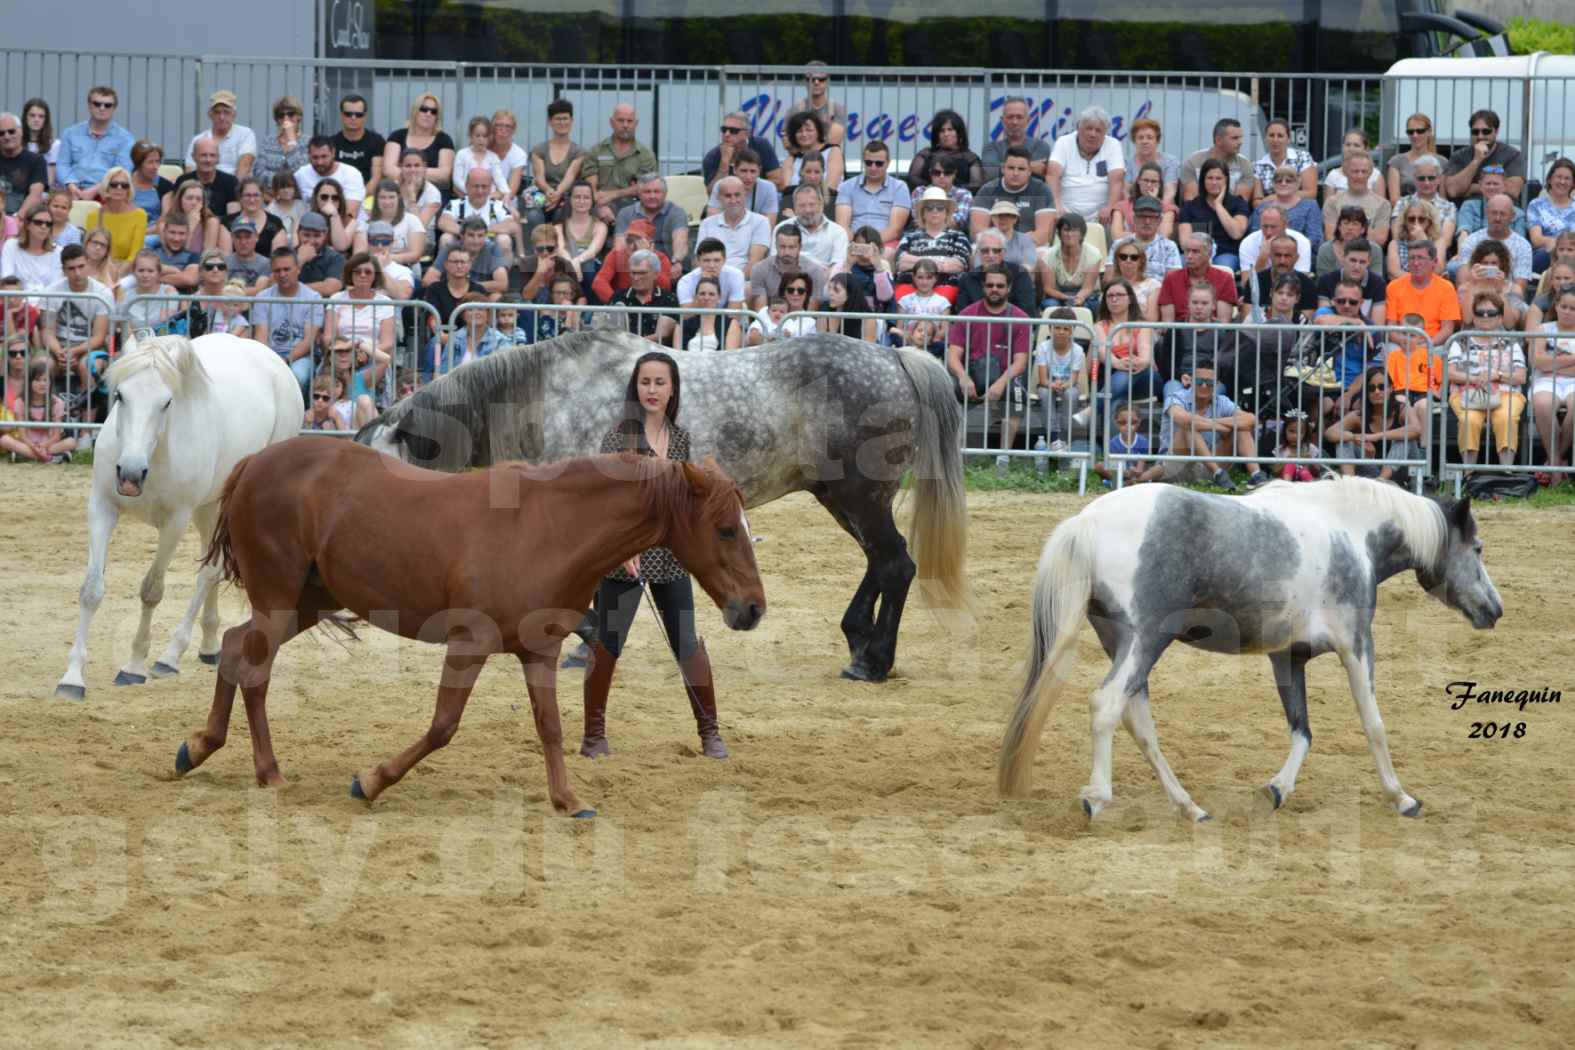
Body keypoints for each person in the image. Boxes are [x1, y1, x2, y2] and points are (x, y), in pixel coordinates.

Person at [582, 351, 731, 760]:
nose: (652, 390)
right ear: (636, 387)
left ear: (672, 389)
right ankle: (594, 735)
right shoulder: (617, 439)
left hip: (670, 558)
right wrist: (623, 548)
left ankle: (710, 732)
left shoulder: (681, 440)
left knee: (687, 642)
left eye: (659, 383)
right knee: (608, 644)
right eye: (645, 382)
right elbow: (604, 505)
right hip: (623, 557)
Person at [947, 263, 1031, 468]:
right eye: (990, 285)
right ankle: (958, 458)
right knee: (947, 391)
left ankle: (1003, 456)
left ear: (1008, 288)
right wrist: (962, 377)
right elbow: (952, 355)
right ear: (983, 287)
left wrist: (1001, 383)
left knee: (1016, 395)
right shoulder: (967, 314)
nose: (995, 289)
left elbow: (1020, 361)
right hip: (973, 374)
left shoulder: (1020, 318)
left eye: (1000, 286)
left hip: (1006, 376)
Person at [1141, 355, 1267, 490]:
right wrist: (1221, 426)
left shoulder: (1222, 401)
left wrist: (1211, 422)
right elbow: (1185, 419)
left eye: (1209, 382)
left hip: (1207, 466)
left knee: (1242, 426)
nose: (1204, 386)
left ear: (1217, 384)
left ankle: (1256, 474)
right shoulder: (1176, 398)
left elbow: (1250, 420)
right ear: (1190, 381)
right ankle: (1217, 473)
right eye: (1199, 381)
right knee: (1188, 426)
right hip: (1176, 465)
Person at [1447, 291, 1527, 468]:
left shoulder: (1511, 342)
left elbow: (1521, 376)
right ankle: (1469, 475)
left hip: (1507, 393)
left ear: (1499, 318)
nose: (1485, 316)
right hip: (1467, 392)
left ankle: (1507, 474)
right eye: (1479, 312)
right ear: (1473, 318)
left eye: (1491, 313)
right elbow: (1450, 373)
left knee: (1506, 418)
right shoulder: (1460, 341)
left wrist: (1497, 376)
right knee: (1470, 420)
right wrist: (1476, 378)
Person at [1325, 367, 1424, 482]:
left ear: (1391, 389)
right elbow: (1329, 432)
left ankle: (1382, 481)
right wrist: (1355, 438)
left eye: (1382, 387)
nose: (1377, 392)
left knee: (1404, 437)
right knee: (1343, 441)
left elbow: (1416, 429)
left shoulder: (1403, 409)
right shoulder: (1359, 415)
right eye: (1371, 388)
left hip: (1402, 470)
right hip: (1373, 472)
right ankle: (1350, 484)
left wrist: (1374, 437)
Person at [42, 244, 112, 401]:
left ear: (88, 263)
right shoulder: (51, 291)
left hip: (90, 346)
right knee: (41, 364)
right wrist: (60, 352)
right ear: (64, 270)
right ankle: (49, 416)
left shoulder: (102, 293)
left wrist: (74, 352)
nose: (77, 273)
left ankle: (86, 421)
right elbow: (47, 331)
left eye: (81, 266)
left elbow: (99, 337)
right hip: (58, 346)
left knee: (87, 366)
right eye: (71, 268)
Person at [251, 247, 324, 394]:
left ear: (297, 269)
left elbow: (308, 340)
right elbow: (261, 337)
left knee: (297, 376)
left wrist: (284, 361)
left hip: (300, 357)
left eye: (287, 269)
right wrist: (271, 361)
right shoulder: (262, 298)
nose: (282, 274)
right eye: (277, 270)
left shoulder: (313, 298)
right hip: (269, 355)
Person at [1045, 106, 1124, 228]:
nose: (1093, 134)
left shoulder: (1113, 145)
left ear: (1105, 133)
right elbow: (1052, 175)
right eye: (1088, 128)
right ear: (1078, 128)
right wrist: (1057, 206)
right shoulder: (1064, 142)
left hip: (1101, 215)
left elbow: (1117, 180)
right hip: (1065, 212)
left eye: (1098, 130)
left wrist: (1110, 207)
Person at [418, 245, 489, 374]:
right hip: (445, 337)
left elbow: (485, 318)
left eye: (463, 262)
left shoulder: (479, 290)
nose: (459, 266)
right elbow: (432, 317)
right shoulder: (435, 289)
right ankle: (427, 384)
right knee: (435, 343)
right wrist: (441, 335)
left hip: (473, 337)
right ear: (445, 264)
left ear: (470, 264)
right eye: (455, 262)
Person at [892, 187, 971, 301]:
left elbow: (958, 265)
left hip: (945, 287)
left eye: (940, 208)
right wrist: (939, 262)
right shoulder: (909, 236)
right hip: (909, 287)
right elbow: (901, 263)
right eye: (929, 208)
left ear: (946, 213)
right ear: (923, 213)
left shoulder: (958, 236)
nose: (935, 211)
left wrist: (917, 262)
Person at [56, 86, 134, 201]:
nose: (102, 108)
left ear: (114, 108)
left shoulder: (125, 139)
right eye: (97, 104)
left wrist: (94, 191)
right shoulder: (70, 133)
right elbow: (63, 165)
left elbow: (121, 172)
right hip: (71, 192)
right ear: (89, 105)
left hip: (106, 195)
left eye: (108, 105)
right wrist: (71, 186)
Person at [1091, 277, 1158, 407]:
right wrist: (1118, 362)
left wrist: (1132, 363)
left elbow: (1145, 357)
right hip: (1112, 378)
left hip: (1144, 379)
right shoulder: (1099, 326)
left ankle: (1091, 410)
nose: (1114, 299)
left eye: (1120, 295)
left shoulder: (1142, 325)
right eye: (1110, 296)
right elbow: (1103, 352)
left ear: (1130, 299)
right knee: (1116, 401)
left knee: (1126, 372)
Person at [1530, 287, 1575, 483]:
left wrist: (1553, 364)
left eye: (1573, 308)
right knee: (1542, 404)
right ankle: (1557, 465)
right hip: (1545, 380)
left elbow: (1546, 362)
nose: (1567, 311)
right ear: (1556, 305)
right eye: (1564, 306)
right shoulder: (1543, 329)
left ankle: (1552, 463)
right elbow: (1537, 361)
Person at [588, 103, 658, 227]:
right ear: (611, 122)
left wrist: (613, 194)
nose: (625, 125)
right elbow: (589, 186)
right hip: (599, 205)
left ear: (636, 124)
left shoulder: (645, 155)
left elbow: (647, 187)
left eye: (629, 121)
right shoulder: (596, 151)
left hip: (633, 207)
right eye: (621, 120)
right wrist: (600, 207)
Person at [970, 145, 1055, 246]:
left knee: (1044, 254)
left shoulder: (1042, 190)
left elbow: (1044, 235)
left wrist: (1016, 244)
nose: (1015, 173)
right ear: (1002, 169)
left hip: (1031, 247)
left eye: (1021, 169)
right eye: (1011, 168)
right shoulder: (987, 190)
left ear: (1029, 172)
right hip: (994, 247)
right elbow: (977, 232)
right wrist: (1002, 245)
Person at [1450, 195, 1533, 297]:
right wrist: (1473, 278)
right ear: (1486, 213)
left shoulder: (1523, 245)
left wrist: (1503, 284)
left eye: (1503, 214)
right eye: (1494, 213)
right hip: (1475, 294)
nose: (1497, 218)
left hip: (1506, 296)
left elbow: (1520, 289)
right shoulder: (1471, 240)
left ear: (1512, 216)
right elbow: (1461, 283)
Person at [438, 167, 520, 269]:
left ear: (490, 188)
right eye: (476, 186)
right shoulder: (456, 204)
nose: (480, 191)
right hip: (462, 247)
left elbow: (512, 225)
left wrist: (483, 231)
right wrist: (467, 233)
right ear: (466, 186)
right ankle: (447, 279)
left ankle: (502, 279)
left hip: (489, 248)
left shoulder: (498, 205)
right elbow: (443, 222)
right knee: (446, 238)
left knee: (504, 240)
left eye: (484, 186)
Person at [836, 140, 911, 246]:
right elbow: (842, 226)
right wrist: (857, 245)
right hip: (852, 242)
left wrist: (869, 245)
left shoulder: (899, 187)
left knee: (886, 255)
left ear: (888, 163)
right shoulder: (847, 186)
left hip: (886, 243)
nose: (873, 167)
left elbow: (895, 230)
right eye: (868, 163)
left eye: (879, 163)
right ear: (863, 162)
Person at [381, 93, 456, 197]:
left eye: (433, 111)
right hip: (400, 193)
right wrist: (422, 173)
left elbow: (444, 175)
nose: (428, 114)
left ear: (437, 117)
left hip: (435, 194)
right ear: (415, 111)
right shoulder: (397, 136)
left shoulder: (444, 139)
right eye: (424, 109)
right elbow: (388, 170)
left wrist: (406, 171)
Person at [1443, 109, 1525, 203]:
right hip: (1466, 213)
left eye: (1486, 131)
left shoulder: (1512, 155)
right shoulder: (1459, 156)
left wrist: (1471, 189)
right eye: (1475, 132)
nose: (1480, 136)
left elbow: (1513, 190)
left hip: (1502, 212)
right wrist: (1476, 160)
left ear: (1496, 131)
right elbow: (1452, 191)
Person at [1034, 308, 1089, 445]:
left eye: (1066, 329)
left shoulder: (1077, 350)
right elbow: (1042, 379)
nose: (1061, 332)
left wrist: (1063, 385)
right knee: (1046, 394)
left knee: (1071, 394)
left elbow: (1074, 379)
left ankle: (1065, 436)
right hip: (1047, 384)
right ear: (1050, 328)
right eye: (1057, 328)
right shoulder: (1043, 347)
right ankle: (1053, 438)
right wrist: (1052, 385)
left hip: (1068, 384)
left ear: (1072, 330)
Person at [697, 177, 770, 277]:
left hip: (745, 281)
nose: (733, 200)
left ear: (745, 195)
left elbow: (754, 263)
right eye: (728, 196)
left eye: (737, 195)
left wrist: (734, 284)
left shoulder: (761, 222)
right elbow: (700, 260)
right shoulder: (707, 223)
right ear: (719, 198)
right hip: (712, 281)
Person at [531, 99, 588, 223]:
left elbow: (571, 176)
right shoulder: (538, 149)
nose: (562, 122)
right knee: (533, 216)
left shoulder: (579, 151)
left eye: (565, 118)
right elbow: (539, 177)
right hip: (542, 195)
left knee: (560, 214)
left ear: (572, 121)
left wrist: (558, 194)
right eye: (558, 119)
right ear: (550, 122)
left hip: (567, 197)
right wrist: (548, 191)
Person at [954, 229, 1035, 317]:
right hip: (977, 329)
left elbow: (1027, 311)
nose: (991, 255)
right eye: (985, 250)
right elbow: (963, 315)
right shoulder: (967, 279)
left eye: (996, 251)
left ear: (1004, 253)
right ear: (978, 253)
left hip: (1011, 328)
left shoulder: (1020, 274)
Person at [614, 173, 688, 268]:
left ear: (665, 194)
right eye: (647, 192)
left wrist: (676, 261)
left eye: (657, 192)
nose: (652, 196)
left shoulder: (676, 212)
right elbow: (620, 246)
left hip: (669, 264)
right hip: (635, 266)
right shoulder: (625, 213)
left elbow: (680, 241)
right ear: (639, 194)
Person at [1158, 234, 1237, 322]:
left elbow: (1223, 323)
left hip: (1213, 333)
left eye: (1195, 252)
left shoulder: (1225, 278)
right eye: (1187, 251)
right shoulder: (1171, 278)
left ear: (1209, 254)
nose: (1189, 256)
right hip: (1178, 333)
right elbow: (1168, 323)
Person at [592, 219, 674, 303]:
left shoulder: (661, 258)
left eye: (638, 241)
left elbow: (665, 287)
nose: (632, 245)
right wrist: (617, 304)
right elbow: (599, 283)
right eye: (629, 240)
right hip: (622, 305)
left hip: (651, 305)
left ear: (650, 244)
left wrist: (647, 257)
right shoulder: (616, 255)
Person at [1452, 239, 1525, 331]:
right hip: (1472, 339)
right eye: (1485, 263)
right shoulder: (1465, 288)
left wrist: (1500, 291)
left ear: (1502, 264)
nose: (1489, 266)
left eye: (1494, 263)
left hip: (1503, 340)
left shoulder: (1514, 289)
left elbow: (1509, 324)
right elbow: (1467, 320)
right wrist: (1473, 285)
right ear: (1477, 264)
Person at [750, 223, 827, 309]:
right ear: (776, 246)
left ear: (800, 247)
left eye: (792, 247)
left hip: (803, 320)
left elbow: (811, 312)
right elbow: (761, 311)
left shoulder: (815, 271)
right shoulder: (760, 269)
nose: (787, 252)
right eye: (782, 247)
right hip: (771, 319)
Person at [608, 250, 679, 343]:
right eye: (633, 273)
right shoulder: (619, 297)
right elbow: (610, 331)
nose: (636, 278)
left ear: (656, 274)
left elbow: (662, 334)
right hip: (624, 353)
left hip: (656, 354)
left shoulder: (668, 298)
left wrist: (632, 344)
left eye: (642, 273)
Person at [703, 111, 784, 192]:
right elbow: (712, 193)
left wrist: (748, 189)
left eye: (733, 130)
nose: (727, 134)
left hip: (759, 199)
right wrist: (724, 164)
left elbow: (777, 182)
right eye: (724, 130)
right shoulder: (712, 156)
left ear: (747, 133)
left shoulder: (761, 145)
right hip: (729, 202)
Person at [1322, 153, 1390, 249]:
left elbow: (1380, 239)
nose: (1360, 176)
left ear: (1370, 173)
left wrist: (1346, 231)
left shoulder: (1383, 204)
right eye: (1355, 171)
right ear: (1346, 172)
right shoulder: (1331, 202)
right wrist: (1366, 232)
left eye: (1364, 171)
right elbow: (1330, 237)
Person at [907, 110, 984, 192]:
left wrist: (950, 189)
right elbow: (912, 178)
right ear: (937, 134)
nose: (946, 134)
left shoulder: (970, 158)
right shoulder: (925, 154)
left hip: (959, 200)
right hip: (928, 198)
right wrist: (934, 188)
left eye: (950, 129)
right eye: (942, 131)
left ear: (959, 132)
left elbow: (977, 185)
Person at [1039, 211, 1102, 311]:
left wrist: (1078, 299)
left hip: (1086, 295)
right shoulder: (1048, 256)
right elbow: (1048, 288)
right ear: (1059, 233)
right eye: (1066, 230)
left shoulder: (1093, 254)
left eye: (1074, 230)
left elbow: (1088, 287)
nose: (1069, 234)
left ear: (1082, 234)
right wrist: (1067, 298)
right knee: (1049, 304)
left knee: (1088, 307)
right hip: (1059, 295)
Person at [776, 183, 848, 269]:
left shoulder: (838, 232)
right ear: (794, 207)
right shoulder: (780, 229)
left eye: (812, 204)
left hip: (826, 280)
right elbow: (775, 263)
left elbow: (837, 268)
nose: (807, 210)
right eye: (802, 205)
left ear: (821, 204)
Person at [354, 178, 425, 264]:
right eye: (382, 197)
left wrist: (387, 258)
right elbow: (358, 256)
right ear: (376, 199)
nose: (387, 202)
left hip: (405, 268)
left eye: (391, 197)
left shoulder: (412, 220)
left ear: (399, 198)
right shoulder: (365, 224)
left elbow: (416, 255)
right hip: (373, 268)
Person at [981, 96, 1051, 183]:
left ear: (1028, 120)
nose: (1015, 122)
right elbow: (990, 174)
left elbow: (1039, 174)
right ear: (1002, 120)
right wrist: (1030, 167)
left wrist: (1002, 168)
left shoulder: (1040, 146)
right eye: (1010, 117)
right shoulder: (991, 148)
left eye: (1019, 117)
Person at [1, 204, 62, 302]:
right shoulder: (11, 246)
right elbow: (8, 280)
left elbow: (56, 286)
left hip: (47, 307)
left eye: (48, 224)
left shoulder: (58, 252)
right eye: (38, 222)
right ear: (28, 225)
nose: (43, 226)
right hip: (16, 305)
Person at [1181, 118, 1252, 201]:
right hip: (1198, 212)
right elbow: (1191, 201)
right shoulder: (1194, 161)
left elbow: (1240, 203)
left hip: (1229, 213)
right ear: (1218, 140)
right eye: (1235, 138)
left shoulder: (1245, 164)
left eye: (1241, 137)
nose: (1240, 142)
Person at [116, 249, 181, 338]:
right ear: (134, 272)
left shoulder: (169, 292)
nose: (145, 275)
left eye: (150, 271)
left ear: (158, 273)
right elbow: (127, 332)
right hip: (134, 344)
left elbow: (165, 327)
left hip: (161, 342)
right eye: (141, 270)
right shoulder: (125, 296)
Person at [1249, 119, 1317, 203]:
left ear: (1288, 139)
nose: (1275, 140)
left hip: (1300, 208)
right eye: (1271, 135)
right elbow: (1257, 200)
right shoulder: (1258, 166)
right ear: (1265, 139)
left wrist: (1275, 197)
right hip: (1271, 210)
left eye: (1280, 136)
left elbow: (1310, 193)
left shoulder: (1303, 157)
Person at [782, 61, 848, 148]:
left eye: (821, 79)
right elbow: (788, 143)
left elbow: (833, 143)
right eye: (811, 79)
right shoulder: (795, 110)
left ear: (827, 81)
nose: (816, 82)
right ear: (805, 82)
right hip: (801, 158)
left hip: (828, 158)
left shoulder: (837, 109)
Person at [556, 182, 608, 291]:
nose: (581, 201)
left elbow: (592, 251)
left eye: (586, 198)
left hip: (590, 269)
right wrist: (572, 263)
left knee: (587, 262)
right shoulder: (559, 227)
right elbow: (560, 250)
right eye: (577, 197)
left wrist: (577, 261)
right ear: (570, 200)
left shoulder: (600, 226)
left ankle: (591, 304)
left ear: (592, 201)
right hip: (566, 267)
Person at [295, 135, 367, 215]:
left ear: (333, 153)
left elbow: (350, 214)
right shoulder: (301, 174)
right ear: (308, 155)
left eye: (324, 157)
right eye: (315, 157)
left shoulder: (351, 174)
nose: (320, 162)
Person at [705, 149, 780, 220]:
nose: (748, 177)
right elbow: (711, 220)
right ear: (734, 169)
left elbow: (768, 226)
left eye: (753, 171)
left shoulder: (769, 188)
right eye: (743, 171)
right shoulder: (721, 185)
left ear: (759, 171)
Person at [834, 225, 896, 313]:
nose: (864, 248)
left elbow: (885, 297)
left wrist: (878, 267)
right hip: (849, 313)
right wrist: (848, 264)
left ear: (877, 247)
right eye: (860, 244)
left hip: (875, 316)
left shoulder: (882, 266)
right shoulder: (843, 265)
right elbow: (835, 293)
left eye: (868, 245)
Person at [783, 111, 846, 195]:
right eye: (799, 131)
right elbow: (786, 189)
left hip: (829, 202)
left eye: (809, 130)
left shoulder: (833, 151)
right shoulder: (791, 158)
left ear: (818, 131)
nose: (804, 134)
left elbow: (831, 185)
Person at [330, 93, 384, 190]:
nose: (353, 118)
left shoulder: (377, 141)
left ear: (365, 116)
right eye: (348, 114)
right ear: (341, 115)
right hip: (337, 196)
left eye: (358, 115)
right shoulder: (331, 143)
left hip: (367, 196)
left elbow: (376, 178)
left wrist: (357, 198)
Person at [1315, 206, 1384, 281]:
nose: (1350, 228)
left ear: (1363, 229)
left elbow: (1376, 280)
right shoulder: (1325, 249)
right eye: (1346, 223)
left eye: (1355, 224)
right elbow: (1323, 281)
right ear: (1339, 227)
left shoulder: (1375, 250)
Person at [0, 111, 48, 218]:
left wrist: (18, 218)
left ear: (21, 132)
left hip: (23, 219)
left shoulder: (36, 160)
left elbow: (35, 194)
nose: (7, 136)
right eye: (1, 133)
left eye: (11, 131)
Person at [1112, 163, 1176, 242]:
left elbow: (1163, 235)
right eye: (1146, 180)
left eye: (1154, 181)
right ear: (1138, 181)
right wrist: (1143, 237)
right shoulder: (1121, 207)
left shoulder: (1168, 209)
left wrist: (1152, 202)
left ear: (1159, 184)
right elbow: (1116, 236)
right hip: (1128, 250)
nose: (1149, 185)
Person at [672, 275, 738, 352]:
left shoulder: (731, 324)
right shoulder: (681, 325)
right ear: (696, 297)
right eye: (702, 294)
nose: (706, 298)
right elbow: (678, 355)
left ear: (719, 298)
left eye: (711, 294)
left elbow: (729, 356)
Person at [676, 238, 746, 309]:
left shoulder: (735, 275)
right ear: (698, 261)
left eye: (717, 260)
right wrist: (702, 285)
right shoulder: (686, 281)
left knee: (743, 307)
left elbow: (734, 314)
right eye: (706, 260)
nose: (711, 265)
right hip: (698, 318)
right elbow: (685, 315)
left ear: (724, 260)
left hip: (726, 318)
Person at [1124, 117, 1178, 208]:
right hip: (1134, 210)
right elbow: (1125, 193)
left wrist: (1156, 210)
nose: (1144, 141)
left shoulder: (1169, 162)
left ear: (1157, 141)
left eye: (1149, 138)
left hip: (1162, 209)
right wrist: (1135, 212)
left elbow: (1170, 192)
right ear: (1134, 141)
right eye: (1140, 138)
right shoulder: (1127, 163)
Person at [1388, 112, 1442, 203]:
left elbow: (1443, 197)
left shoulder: (1442, 161)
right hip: (1406, 213)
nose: (1415, 135)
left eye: (1420, 131)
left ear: (1429, 132)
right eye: (1410, 132)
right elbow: (1394, 200)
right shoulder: (1396, 162)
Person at [452, 115, 510, 199]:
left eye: (484, 136)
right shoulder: (462, 154)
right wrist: (471, 192)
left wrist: (506, 192)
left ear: (489, 137)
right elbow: (457, 179)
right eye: (477, 135)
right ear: (470, 136)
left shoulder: (493, 158)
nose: (481, 139)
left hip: (489, 198)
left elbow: (499, 179)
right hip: (467, 196)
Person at [1107, 237, 1161, 320]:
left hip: (1143, 330)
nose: (1128, 260)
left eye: (1134, 257)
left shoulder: (1153, 285)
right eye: (1123, 257)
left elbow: (1152, 319)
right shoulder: (1111, 286)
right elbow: (1104, 317)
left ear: (1141, 261)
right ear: (1117, 261)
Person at [294, 211, 347, 296]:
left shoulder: (335, 258)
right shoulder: (287, 254)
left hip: (323, 307)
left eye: (317, 236)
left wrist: (292, 289)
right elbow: (276, 284)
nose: (311, 241)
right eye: (306, 235)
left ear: (325, 235)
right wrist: (300, 260)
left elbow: (330, 288)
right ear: (298, 233)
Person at [1322, 129, 1384, 195]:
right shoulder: (1333, 175)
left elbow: (1381, 204)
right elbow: (1329, 204)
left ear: (1366, 149)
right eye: (1348, 145)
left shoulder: (1376, 176)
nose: (1351, 149)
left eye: (1356, 145)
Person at [126, 141, 174, 227]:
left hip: (154, 233)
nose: (155, 167)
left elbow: (165, 219)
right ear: (138, 164)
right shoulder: (123, 184)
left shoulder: (165, 186)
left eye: (158, 161)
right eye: (150, 162)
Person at [988, 199, 1039, 271]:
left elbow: (1029, 265)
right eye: (998, 215)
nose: (1002, 218)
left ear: (1015, 219)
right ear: (992, 218)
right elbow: (980, 265)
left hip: (1019, 277)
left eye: (1007, 215)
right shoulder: (984, 239)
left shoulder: (1025, 239)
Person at [1273, 409, 1323, 482]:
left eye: (1300, 432)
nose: (1295, 436)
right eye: (1291, 431)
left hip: (1305, 479)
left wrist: (1310, 462)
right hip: (1285, 479)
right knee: (1290, 465)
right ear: (1284, 431)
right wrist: (1287, 461)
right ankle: (1286, 486)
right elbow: (1275, 472)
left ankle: (1311, 488)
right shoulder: (1280, 450)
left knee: (1303, 471)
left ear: (1305, 433)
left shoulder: (1311, 448)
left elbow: (1318, 471)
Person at [20, 99, 58, 185]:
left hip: (44, 192)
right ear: (25, 117)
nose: (36, 119)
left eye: (41, 116)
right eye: (32, 115)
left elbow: (49, 181)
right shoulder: (16, 143)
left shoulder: (54, 145)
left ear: (46, 119)